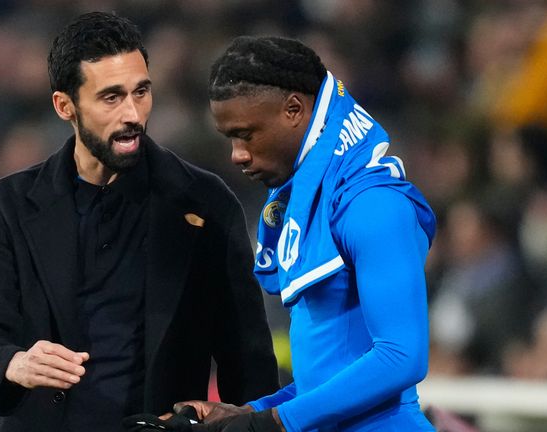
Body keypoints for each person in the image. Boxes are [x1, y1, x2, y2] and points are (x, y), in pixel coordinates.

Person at [0, 12, 279, 432]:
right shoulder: (8, 206)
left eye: (141, 92)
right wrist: (15, 363)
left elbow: (246, 356)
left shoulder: (205, 204)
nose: (133, 114)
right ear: (65, 106)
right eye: (111, 97)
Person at [126, 36, 437, 431]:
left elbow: (401, 357)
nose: (237, 154)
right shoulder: (313, 200)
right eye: (230, 138)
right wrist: (248, 413)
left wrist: (272, 422)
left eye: (247, 134)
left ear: (294, 109)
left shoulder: (373, 204)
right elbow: (327, 376)